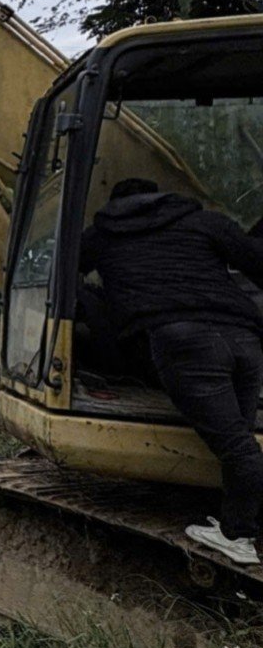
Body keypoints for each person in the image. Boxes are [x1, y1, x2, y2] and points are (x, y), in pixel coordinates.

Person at [80, 177, 263, 565]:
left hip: (185, 342)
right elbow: (257, 263)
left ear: (115, 204)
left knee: (236, 446)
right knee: (240, 438)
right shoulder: (204, 222)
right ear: (163, 196)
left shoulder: (101, 235)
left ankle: (238, 536)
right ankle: (238, 520)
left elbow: (61, 276)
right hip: (244, 339)